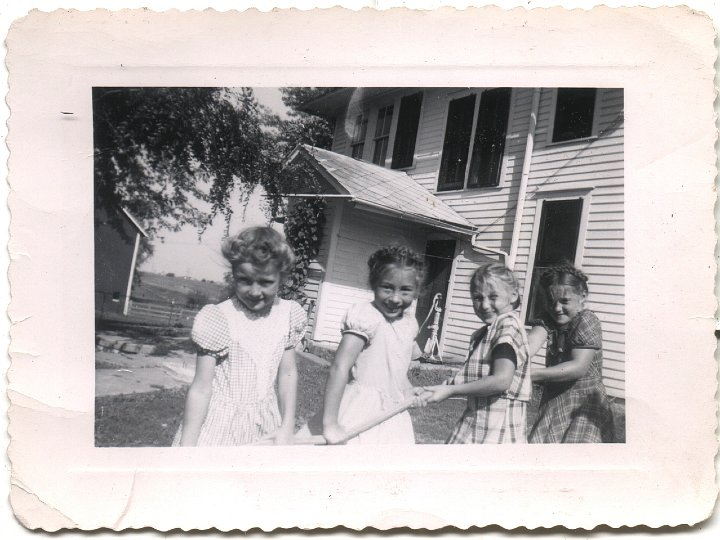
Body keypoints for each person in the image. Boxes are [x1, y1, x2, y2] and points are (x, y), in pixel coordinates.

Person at [173, 226, 307, 446]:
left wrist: (287, 425)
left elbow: (288, 374)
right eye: (245, 280)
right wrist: (188, 446)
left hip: (266, 422)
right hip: (220, 426)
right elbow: (201, 388)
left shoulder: (288, 315)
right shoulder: (219, 318)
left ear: (281, 278)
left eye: (265, 282)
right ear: (233, 275)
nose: (255, 292)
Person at [321, 246, 427, 444]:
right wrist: (330, 423)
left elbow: (394, 370)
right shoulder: (366, 317)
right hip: (361, 410)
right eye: (387, 287)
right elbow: (339, 368)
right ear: (373, 284)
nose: (395, 298)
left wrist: (406, 389)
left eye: (405, 290)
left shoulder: (409, 323)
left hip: (391, 414)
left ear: (416, 291)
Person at [421, 262, 531, 444]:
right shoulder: (487, 331)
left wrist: (451, 390)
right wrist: (434, 389)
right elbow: (470, 377)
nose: (485, 305)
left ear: (513, 295)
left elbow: (501, 381)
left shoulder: (508, 326)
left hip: (498, 427)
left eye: (493, 296)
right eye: (478, 298)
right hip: (478, 419)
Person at [527, 263, 615, 443]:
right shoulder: (548, 319)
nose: (557, 308)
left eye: (564, 301)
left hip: (584, 405)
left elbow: (578, 367)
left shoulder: (587, 320)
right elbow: (528, 345)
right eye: (551, 301)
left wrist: (529, 374)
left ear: (582, 297)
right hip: (554, 401)